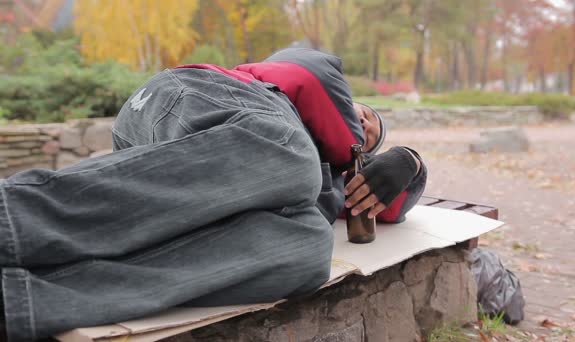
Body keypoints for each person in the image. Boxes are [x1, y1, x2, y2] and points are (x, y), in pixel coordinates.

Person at [0, 48, 426, 341]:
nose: (362, 128)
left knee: (308, 248)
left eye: (370, 138)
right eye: (366, 115)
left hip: (209, 164)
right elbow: (309, 74)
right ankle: (10, 220)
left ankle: (24, 300)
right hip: (186, 99)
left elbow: (384, 210)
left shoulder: (325, 173)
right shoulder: (298, 78)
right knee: (290, 154)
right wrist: (357, 149)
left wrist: (408, 165)